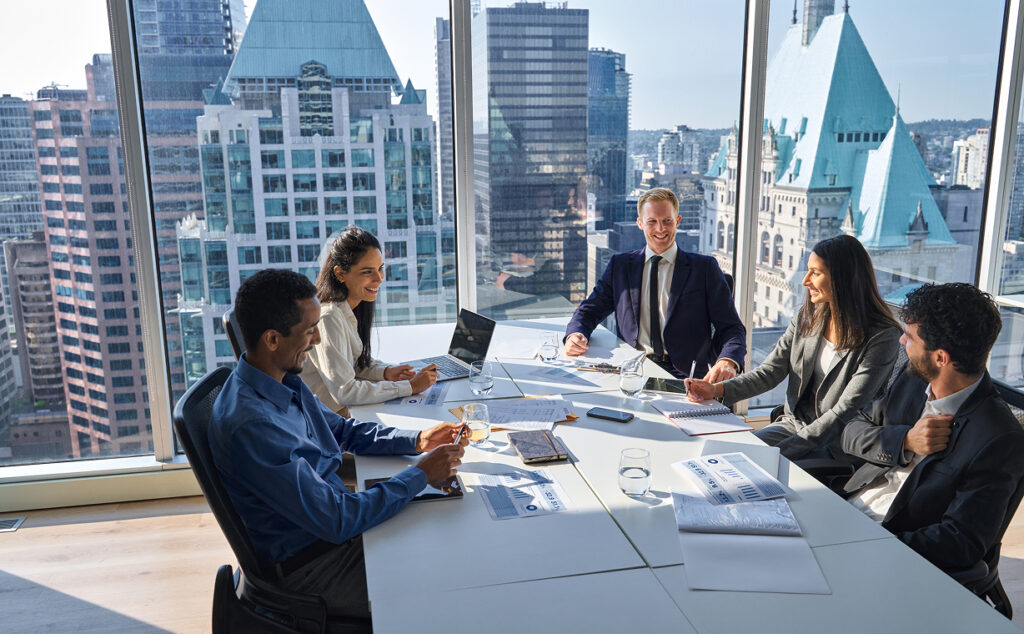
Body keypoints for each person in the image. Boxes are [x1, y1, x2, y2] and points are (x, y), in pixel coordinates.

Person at [209, 268, 467, 619]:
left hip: (330, 527)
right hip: (314, 565)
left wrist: (417, 439)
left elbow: (343, 431)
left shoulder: (280, 377)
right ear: (272, 339)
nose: (316, 340)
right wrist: (419, 475)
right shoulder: (253, 425)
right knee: (448, 570)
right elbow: (338, 519)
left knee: (445, 531)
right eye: (309, 331)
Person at [842, 283, 1024, 573]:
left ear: (941, 357)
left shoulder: (999, 439)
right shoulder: (913, 379)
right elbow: (851, 431)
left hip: (887, 551)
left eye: (910, 336)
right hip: (844, 511)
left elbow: (960, 541)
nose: (902, 341)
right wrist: (904, 442)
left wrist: (869, 545)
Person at [686, 235, 901, 462]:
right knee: (725, 457)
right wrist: (716, 390)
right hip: (793, 426)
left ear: (843, 279)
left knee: (747, 463)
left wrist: (777, 453)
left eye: (815, 273)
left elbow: (843, 413)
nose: (805, 280)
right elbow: (769, 372)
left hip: (838, 443)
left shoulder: (883, 337)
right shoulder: (808, 316)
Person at [563, 187, 746, 380]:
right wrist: (575, 334)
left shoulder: (704, 269)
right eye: (652, 222)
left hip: (686, 378)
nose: (660, 229)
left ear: (677, 221)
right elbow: (589, 310)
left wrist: (728, 360)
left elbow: (732, 327)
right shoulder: (621, 266)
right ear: (640, 223)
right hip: (633, 371)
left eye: (667, 221)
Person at [302, 227, 437, 411]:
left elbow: (352, 367)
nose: (379, 278)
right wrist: (409, 387)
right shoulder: (328, 318)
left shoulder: (349, 308)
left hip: (340, 412)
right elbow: (345, 390)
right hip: (327, 421)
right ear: (340, 274)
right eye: (367, 272)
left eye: (380, 269)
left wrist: (386, 372)